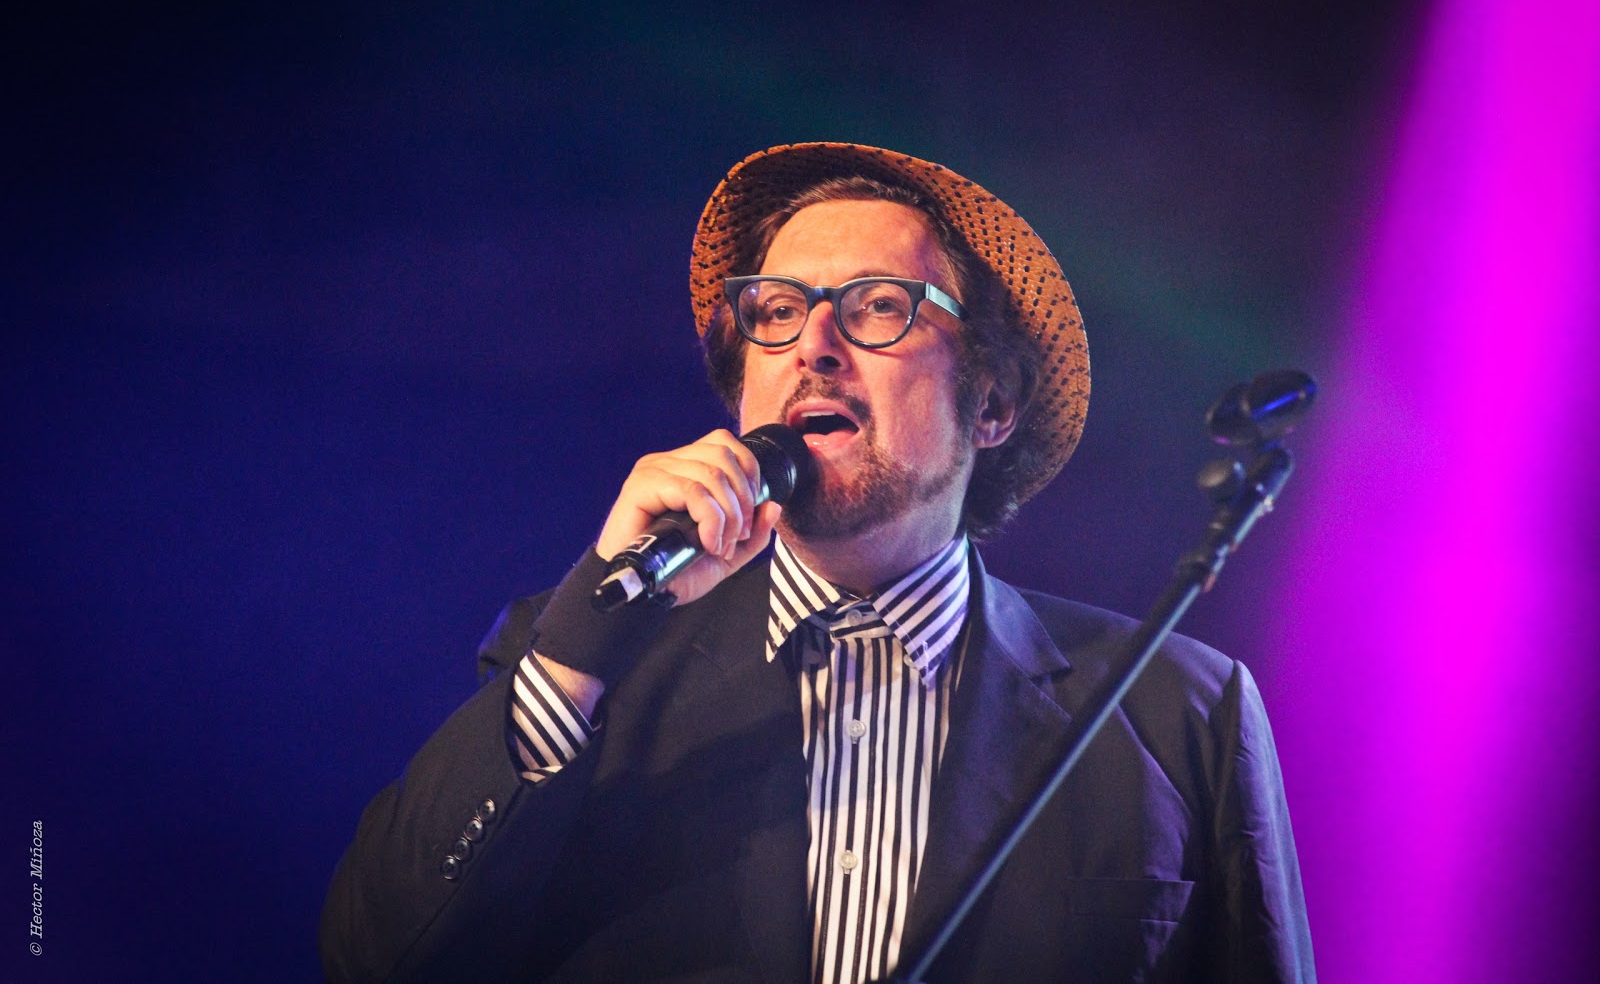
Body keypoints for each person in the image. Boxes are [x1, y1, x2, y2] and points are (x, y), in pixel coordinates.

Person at [320, 143, 1315, 983]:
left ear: (991, 404)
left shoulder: (1177, 710)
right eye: (778, 310)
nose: (815, 344)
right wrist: (588, 634)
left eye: (879, 306)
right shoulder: (591, 663)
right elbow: (371, 955)